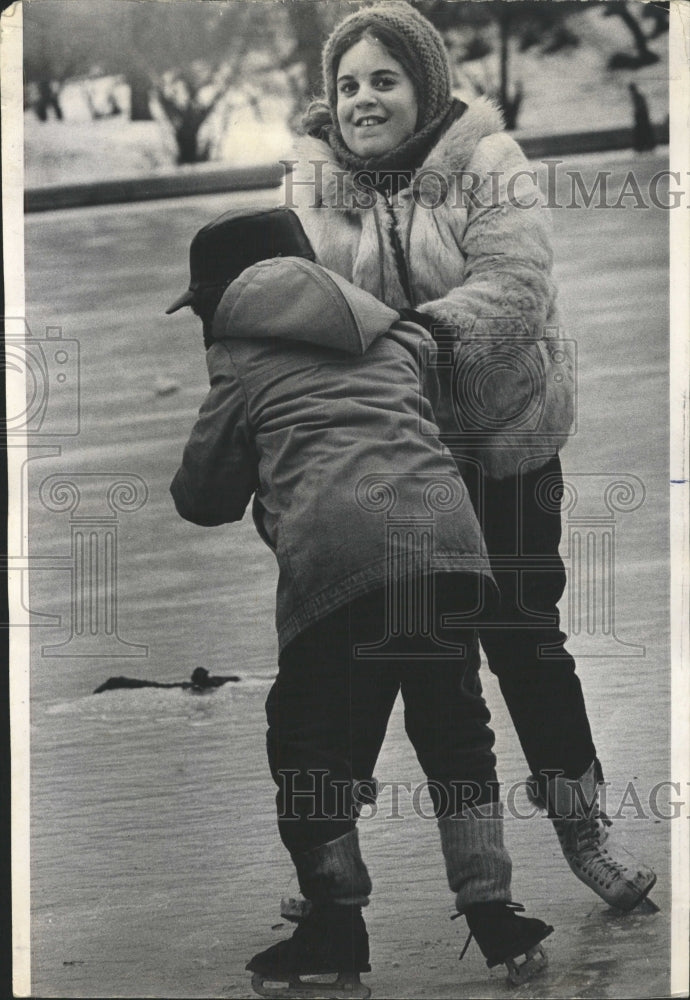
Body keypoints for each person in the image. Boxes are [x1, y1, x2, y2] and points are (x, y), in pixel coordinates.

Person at [283, 0, 656, 913]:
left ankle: (585, 834)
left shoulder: (489, 163)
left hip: (506, 447)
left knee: (526, 638)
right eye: (348, 84)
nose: (363, 99)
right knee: (389, 655)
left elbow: (516, 289)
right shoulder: (310, 186)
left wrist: (409, 343)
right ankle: (330, 864)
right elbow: (294, 316)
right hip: (396, 470)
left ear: (426, 85)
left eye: (384, 79)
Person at [169, 206, 553, 997]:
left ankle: (334, 921)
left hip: (340, 559)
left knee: (305, 740)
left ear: (223, 300)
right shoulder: (394, 333)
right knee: (454, 730)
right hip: (447, 546)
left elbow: (201, 497)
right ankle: (495, 912)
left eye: (203, 304)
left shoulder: (240, 361)